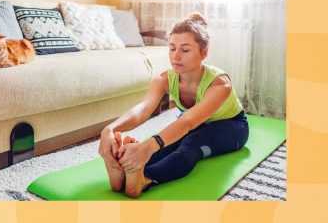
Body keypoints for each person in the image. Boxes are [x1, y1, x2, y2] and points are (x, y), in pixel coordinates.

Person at [98, 12, 249, 198]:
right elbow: (143, 109)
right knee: (166, 143)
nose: (176, 56)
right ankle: (123, 168)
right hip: (194, 123)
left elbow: (189, 121)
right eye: (172, 48)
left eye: (185, 50)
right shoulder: (164, 79)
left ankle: (144, 179)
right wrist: (110, 129)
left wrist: (147, 147)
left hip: (232, 126)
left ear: (204, 53)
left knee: (190, 143)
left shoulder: (220, 84)